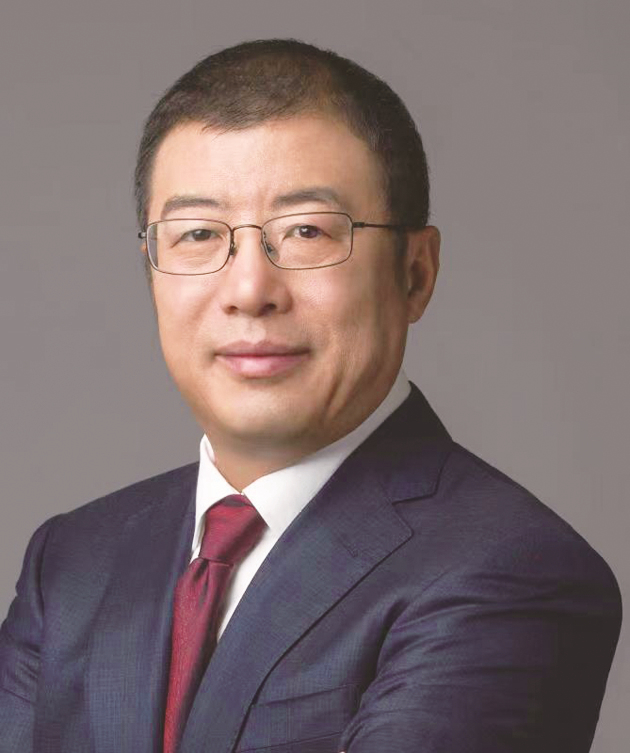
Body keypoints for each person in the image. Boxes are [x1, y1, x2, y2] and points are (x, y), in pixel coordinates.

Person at [0, 38, 622, 753]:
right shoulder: (73, 561)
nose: (249, 290)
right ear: (152, 272)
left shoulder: (511, 568)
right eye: (197, 234)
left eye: (306, 231)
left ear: (415, 274)